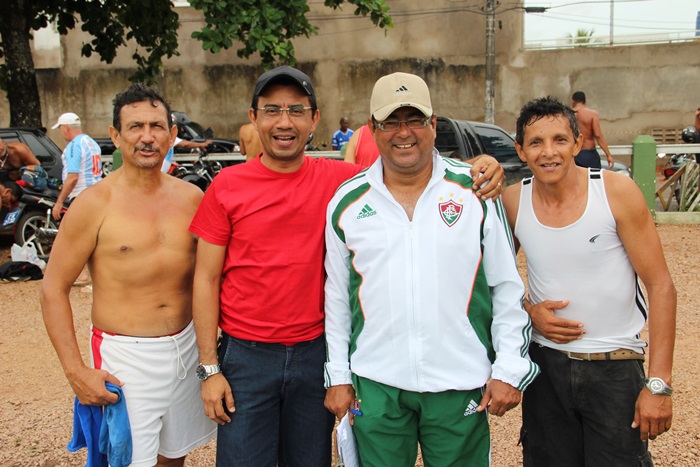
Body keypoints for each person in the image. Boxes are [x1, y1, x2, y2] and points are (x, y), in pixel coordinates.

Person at [189, 66, 505, 466]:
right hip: (246, 358)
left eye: (296, 111)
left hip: (313, 353)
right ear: (253, 118)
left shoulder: (342, 182)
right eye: (272, 111)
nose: (284, 122)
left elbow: (406, 165)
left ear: (314, 119)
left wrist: (481, 165)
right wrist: (209, 368)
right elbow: (206, 278)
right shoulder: (227, 186)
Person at [323, 72, 538, 467]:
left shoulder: (474, 192)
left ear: (433, 125)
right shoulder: (347, 203)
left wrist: (510, 366)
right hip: (376, 385)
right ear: (373, 129)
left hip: (459, 382)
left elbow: (506, 287)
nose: (404, 132)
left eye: (415, 120)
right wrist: (337, 375)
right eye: (391, 121)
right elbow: (336, 297)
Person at [40, 83, 215, 467]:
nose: (147, 137)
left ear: (172, 135)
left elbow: (211, 279)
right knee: (129, 460)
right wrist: (75, 371)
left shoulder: (192, 198)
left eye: (156, 126)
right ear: (116, 135)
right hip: (126, 357)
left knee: (174, 456)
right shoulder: (93, 205)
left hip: (185, 349)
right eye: (135, 127)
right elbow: (53, 288)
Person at [502, 96, 676, 466]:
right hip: (546, 365)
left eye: (559, 140)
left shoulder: (614, 192)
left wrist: (658, 384)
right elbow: (493, 281)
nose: (548, 152)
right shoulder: (515, 201)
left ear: (578, 143)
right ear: (520, 150)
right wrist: (530, 311)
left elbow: (660, 286)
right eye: (536, 142)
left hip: (614, 365)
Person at [51, 112, 103, 220]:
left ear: (65, 127)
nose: (61, 132)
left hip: (82, 196)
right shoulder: (92, 143)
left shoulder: (74, 146)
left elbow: (73, 177)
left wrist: (59, 202)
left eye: (60, 128)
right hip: (97, 194)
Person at [570, 91, 614, 169]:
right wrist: (608, 155)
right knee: (593, 179)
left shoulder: (567, 114)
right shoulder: (592, 114)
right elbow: (598, 135)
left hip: (573, 153)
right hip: (589, 153)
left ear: (573, 102)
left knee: (576, 180)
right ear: (585, 102)